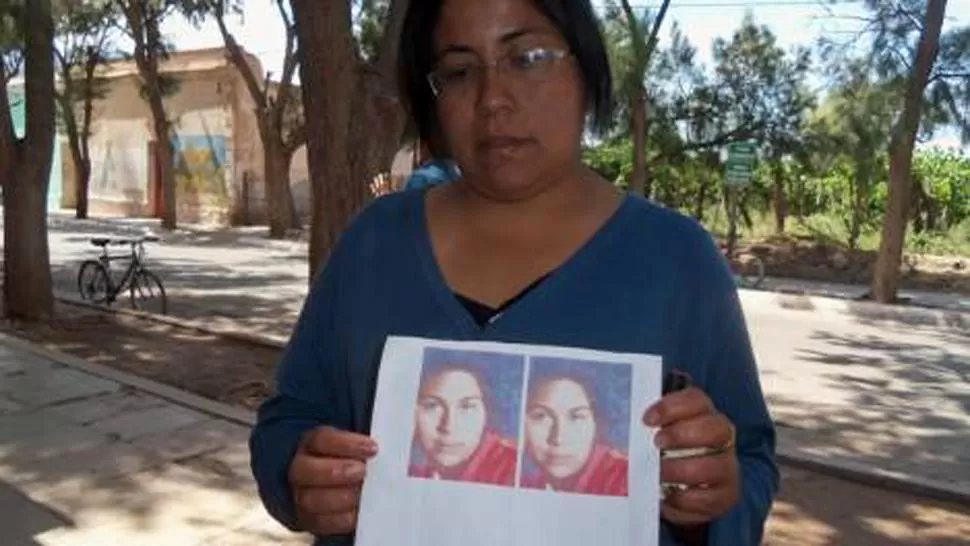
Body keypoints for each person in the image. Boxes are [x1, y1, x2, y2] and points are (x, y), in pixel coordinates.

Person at [249, 0, 778, 544]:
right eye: (458, 71)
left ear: (586, 68)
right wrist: (298, 472)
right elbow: (288, 419)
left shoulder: (678, 260)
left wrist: (716, 494)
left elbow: (752, 464)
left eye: (526, 58)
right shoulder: (374, 243)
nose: (493, 100)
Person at [521, 371, 628, 497]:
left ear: (597, 425)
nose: (558, 438)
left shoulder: (623, 480)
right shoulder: (528, 484)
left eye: (576, 417)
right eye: (541, 416)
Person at [408, 364, 517, 486]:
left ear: (487, 412)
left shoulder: (513, 470)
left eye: (467, 407)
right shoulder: (416, 469)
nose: (449, 426)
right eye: (432, 406)